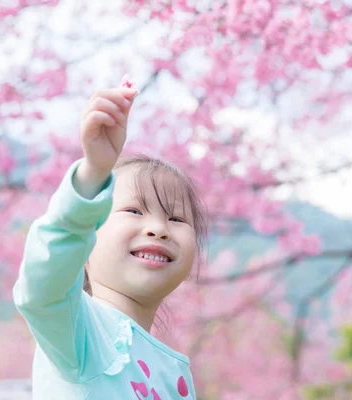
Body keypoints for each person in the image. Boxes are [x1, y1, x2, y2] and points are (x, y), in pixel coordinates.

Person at [13, 85, 208, 399]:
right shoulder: (80, 332)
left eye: (176, 219)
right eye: (133, 210)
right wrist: (93, 172)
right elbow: (42, 287)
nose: (158, 229)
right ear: (86, 237)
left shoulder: (173, 373)